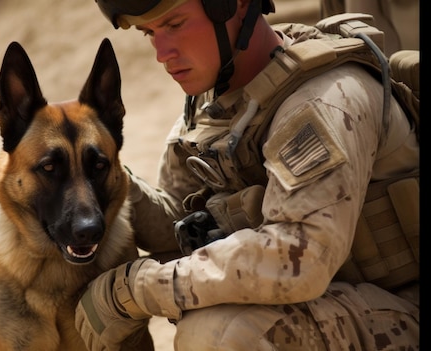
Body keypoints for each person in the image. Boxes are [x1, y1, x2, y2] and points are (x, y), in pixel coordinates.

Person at [74, 0, 419, 350]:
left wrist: (139, 289)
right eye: (151, 33)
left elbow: (298, 257)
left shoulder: (322, 100)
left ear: (233, 5)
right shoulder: (215, 102)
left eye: (175, 25)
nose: (162, 53)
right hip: (340, 306)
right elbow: (176, 223)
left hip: (403, 314)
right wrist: (97, 175)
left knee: (222, 331)